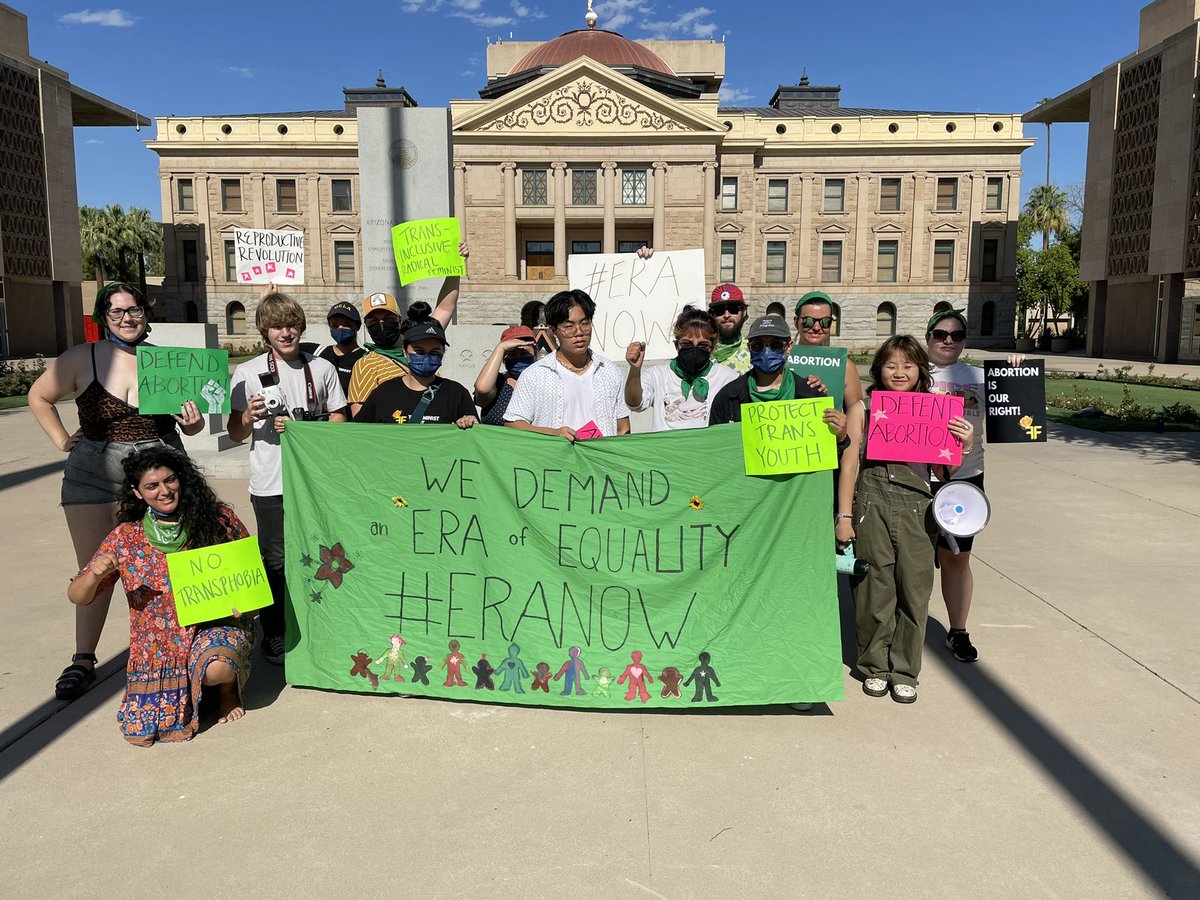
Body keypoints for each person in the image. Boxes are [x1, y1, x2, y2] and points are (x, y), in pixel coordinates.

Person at [28, 282, 205, 700]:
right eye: (116, 312)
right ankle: (83, 659)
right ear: (102, 317)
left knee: (175, 562)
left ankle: (184, 648)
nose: (127, 318)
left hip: (159, 473)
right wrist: (60, 440)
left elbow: (191, 426)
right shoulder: (81, 357)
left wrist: (194, 422)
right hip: (93, 477)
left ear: (146, 312)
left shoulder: (167, 362)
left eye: (134, 310)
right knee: (96, 567)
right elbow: (39, 396)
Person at [67, 447, 254, 746]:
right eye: (152, 486)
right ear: (137, 493)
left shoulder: (217, 518)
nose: (164, 491)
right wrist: (95, 574)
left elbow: (247, 567)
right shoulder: (125, 536)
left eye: (170, 481)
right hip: (156, 645)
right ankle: (195, 685)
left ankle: (226, 690)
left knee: (217, 666)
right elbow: (77, 596)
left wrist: (243, 601)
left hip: (213, 625)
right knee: (143, 730)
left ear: (182, 480)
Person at [835, 335, 974, 704]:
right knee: (873, 591)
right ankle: (874, 666)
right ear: (878, 368)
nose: (899, 372)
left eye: (908, 365)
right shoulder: (863, 409)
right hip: (871, 503)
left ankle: (905, 670)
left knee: (914, 591)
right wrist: (844, 516)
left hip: (918, 508)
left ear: (920, 370)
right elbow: (850, 466)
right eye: (891, 365)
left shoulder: (936, 409)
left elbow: (946, 473)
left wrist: (964, 443)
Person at [228, 291, 348, 664]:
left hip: (315, 481)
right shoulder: (248, 372)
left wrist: (308, 428)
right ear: (265, 332)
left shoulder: (322, 369)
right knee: (275, 560)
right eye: (277, 326)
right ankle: (276, 632)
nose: (286, 332)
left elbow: (340, 418)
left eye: (292, 324)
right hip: (271, 482)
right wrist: (248, 416)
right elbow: (233, 432)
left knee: (324, 554)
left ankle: (323, 623)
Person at [924, 308, 1022, 664]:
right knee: (913, 560)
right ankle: (904, 629)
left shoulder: (981, 377)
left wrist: (1014, 374)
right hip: (919, 478)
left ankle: (958, 631)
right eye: (940, 334)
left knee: (957, 559)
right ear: (928, 337)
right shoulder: (914, 373)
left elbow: (1017, 415)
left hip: (965, 479)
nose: (948, 340)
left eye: (956, 335)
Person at [346, 242, 469, 416]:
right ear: (365, 326)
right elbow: (362, 421)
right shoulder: (364, 365)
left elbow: (445, 308)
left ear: (399, 320)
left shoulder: (420, 337)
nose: (381, 324)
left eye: (388, 318)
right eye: (374, 320)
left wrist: (455, 267)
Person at [504, 289, 631, 440]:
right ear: (554, 331)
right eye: (569, 327)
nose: (579, 332)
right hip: (556, 461)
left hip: (601, 461)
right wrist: (553, 433)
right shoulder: (535, 375)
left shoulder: (609, 371)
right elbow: (512, 424)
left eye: (585, 324)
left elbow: (623, 428)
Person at [708, 314, 845, 434]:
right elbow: (717, 450)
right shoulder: (727, 397)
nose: (766, 352)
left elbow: (824, 452)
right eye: (758, 345)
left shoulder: (812, 395)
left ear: (789, 347)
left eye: (776, 345)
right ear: (749, 347)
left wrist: (840, 437)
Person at [624, 306, 738, 431]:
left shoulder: (728, 379)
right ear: (676, 345)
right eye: (687, 344)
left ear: (712, 347)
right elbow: (635, 404)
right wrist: (635, 370)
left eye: (703, 345)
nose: (694, 349)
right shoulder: (657, 375)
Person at [354, 318, 478, 428]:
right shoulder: (383, 393)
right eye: (419, 351)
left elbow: (476, 438)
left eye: (434, 352)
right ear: (405, 352)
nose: (426, 357)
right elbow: (356, 433)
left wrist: (471, 423)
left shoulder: (456, 393)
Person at [792, 291, 864, 409]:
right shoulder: (782, 360)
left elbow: (858, 415)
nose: (816, 327)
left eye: (825, 322)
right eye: (808, 321)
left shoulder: (845, 366)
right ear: (796, 322)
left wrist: (846, 423)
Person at [474, 325, 536, 425]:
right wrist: (501, 348)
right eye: (512, 353)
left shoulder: (545, 381)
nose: (518, 358)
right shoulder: (498, 382)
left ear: (535, 353)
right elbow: (482, 389)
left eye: (524, 353)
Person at [315, 301, 364, 396]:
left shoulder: (365, 359)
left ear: (357, 326)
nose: (340, 329)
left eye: (347, 325)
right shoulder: (318, 353)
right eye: (335, 326)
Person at [709, 282, 752, 374]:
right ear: (711, 315)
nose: (726, 315)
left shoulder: (754, 351)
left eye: (733, 309)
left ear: (744, 312)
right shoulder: (703, 350)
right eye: (719, 310)